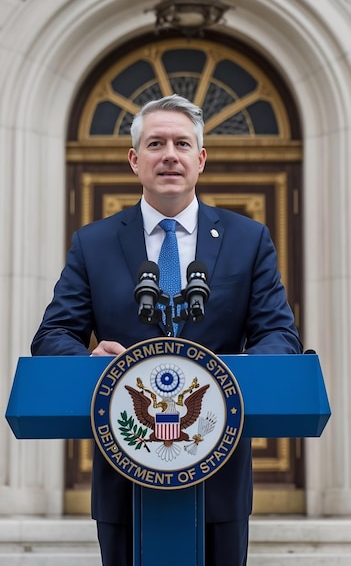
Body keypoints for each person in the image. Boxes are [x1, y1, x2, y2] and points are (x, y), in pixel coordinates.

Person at [31, 94, 302, 566]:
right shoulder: (93, 243)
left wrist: (226, 374)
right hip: (124, 473)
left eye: (182, 143)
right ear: (135, 161)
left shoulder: (248, 238)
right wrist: (91, 363)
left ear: (201, 159)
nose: (169, 155)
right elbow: (53, 335)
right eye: (156, 144)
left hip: (219, 475)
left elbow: (279, 336)